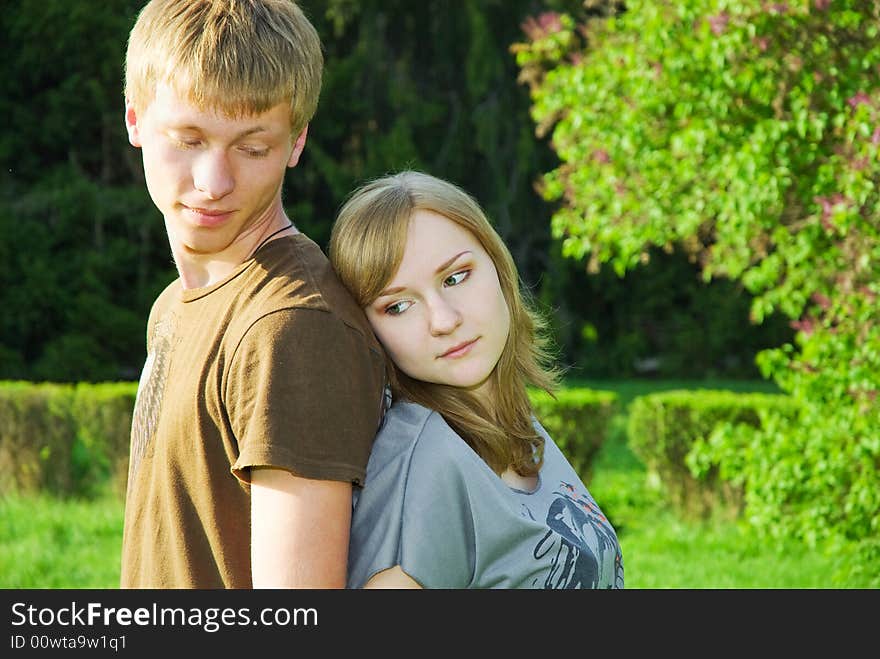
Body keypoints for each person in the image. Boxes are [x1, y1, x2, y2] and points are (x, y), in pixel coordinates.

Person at [119, 0, 386, 588]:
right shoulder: (174, 304)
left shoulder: (292, 327)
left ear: (296, 143)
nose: (213, 184)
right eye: (188, 139)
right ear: (135, 121)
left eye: (253, 147)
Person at [329, 171, 624, 589]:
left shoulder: (510, 423)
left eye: (455, 277)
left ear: (498, 266)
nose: (444, 320)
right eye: (398, 306)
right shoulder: (425, 468)